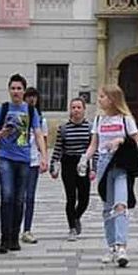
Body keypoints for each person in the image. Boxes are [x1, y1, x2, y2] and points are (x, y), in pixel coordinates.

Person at [81, 84, 138, 268]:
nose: (99, 100)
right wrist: (84, 159)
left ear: (113, 99)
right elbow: (94, 144)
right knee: (108, 208)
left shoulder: (126, 119)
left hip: (121, 165)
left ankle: (122, 247)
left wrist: (120, 140)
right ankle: (112, 245)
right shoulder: (99, 120)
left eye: (102, 96)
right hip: (103, 165)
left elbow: (136, 143)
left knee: (120, 205)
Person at [0, 74, 46, 255]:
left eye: (19, 88)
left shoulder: (30, 111)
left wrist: (44, 156)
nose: (16, 91)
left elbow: (38, 133)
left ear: (23, 90)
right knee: (7, 196)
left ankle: (14, 237)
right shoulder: (3, 109)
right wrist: (1, 134)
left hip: (24, 158)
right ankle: (4, 238)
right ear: (9, 90)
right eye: (13, 88)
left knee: (20, 199)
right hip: (5, 157)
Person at [49, 98, 92, 238]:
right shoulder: (63, 128)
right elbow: (58, 148)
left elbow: (94, 149)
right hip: (68, 163)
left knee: (84, 198)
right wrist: (53, 166)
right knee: (71, 197)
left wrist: (94, 168)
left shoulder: (90, 128)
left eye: (79, 107)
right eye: (73, 107)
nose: (76, 110)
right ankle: (72, 227)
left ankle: (76, 216)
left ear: (84, 109)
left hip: (83, 163)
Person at [21, 85, 46, 243]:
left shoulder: (41, 119)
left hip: (33, 161)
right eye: (29, 96)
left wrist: (44, 158)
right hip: (20, 160)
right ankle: (14, 227)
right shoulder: (19, 116)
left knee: (30, 197)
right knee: (17, 197)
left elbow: (42, 139)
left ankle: (27, 229)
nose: (31, 99)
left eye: (34, 96)